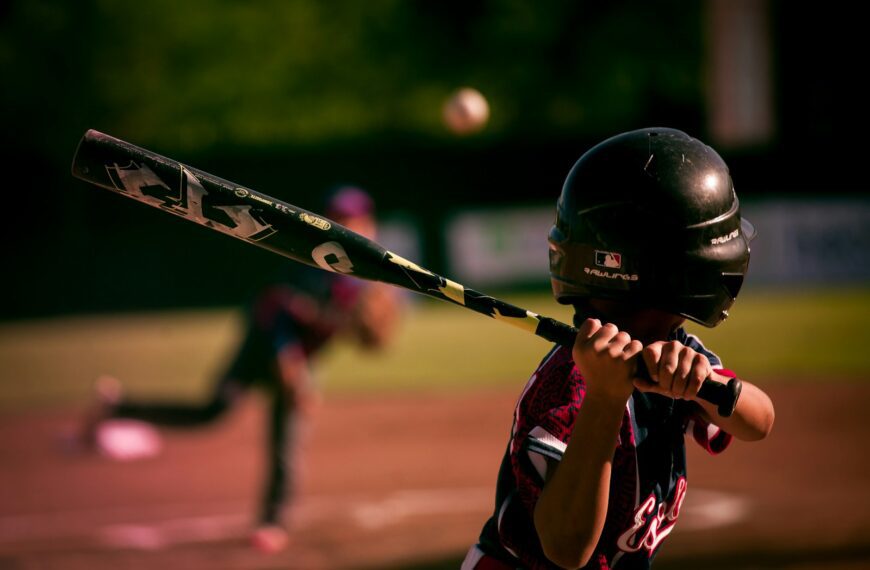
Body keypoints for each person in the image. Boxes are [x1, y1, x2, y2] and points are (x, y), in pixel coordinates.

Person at [462, 128, 775, 570]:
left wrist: (701, 385)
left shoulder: (675, 350)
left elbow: (759, 421)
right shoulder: (566, 388)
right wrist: (605, 399)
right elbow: (567, 549)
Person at [83, 185, 402, 553]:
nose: (351, 224)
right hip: (262, 347)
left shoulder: (369, 276)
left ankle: (272, 521)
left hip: (301, 358)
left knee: (286, 437)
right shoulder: (313, 264)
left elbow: (364, 334)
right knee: (212, 411)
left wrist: (366, 331)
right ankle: (121, 407)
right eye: (342, 218)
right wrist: (289, 360)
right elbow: (275, 307)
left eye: (358, 218)